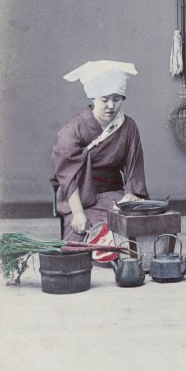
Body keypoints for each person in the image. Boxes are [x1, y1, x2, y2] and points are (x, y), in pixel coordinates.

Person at [52, 60, 148, 241]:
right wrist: (78, 213)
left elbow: (134, 167)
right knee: (79, 240)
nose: (111, 105)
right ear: (93, 98)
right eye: (104, 99)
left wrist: (131, 194)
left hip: (114, 196)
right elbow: (68, 177)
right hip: (79, 198)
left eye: (117, 99)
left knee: (130, 235)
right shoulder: (72, 130)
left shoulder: (128, 126)